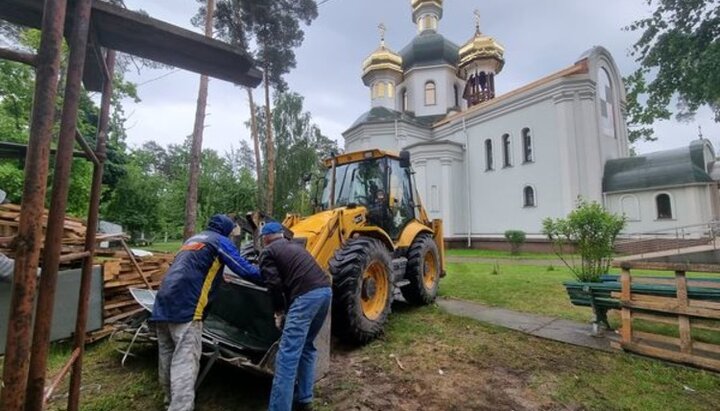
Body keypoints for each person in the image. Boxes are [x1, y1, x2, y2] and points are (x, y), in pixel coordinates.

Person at [152, 214, 262, 411]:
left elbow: (193, 268)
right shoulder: (220, 241)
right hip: (186, 307)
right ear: (226, 231)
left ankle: (168, 400)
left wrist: (219, 278)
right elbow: (244, 269)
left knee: (167, 355)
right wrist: (270, 277)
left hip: (162, 303)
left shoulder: (193, 240)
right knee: (185, 362)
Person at [259, 222, 332, 411]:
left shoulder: (268, 252)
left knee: (287, 355)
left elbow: (274, 285)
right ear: (282, 235)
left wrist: (279, 311)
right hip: (324, 293)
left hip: (306, 297)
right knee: (307, 346)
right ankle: (304, 399)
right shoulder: (296, 247)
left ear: (265, 238)